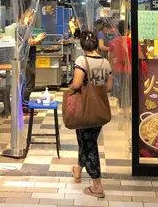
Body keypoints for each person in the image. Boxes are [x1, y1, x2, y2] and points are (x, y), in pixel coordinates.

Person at [69, 31, 112, 198]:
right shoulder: (105, 62)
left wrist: (69, 89)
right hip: (99, 108)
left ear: (82, 45)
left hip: (84, 109)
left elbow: (77, 84)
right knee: (87, 140)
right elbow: (109, 87)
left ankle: (97, 186)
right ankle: (78, 170)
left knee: (89, 145)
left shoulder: (82, 60)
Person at [108, 20, 131, 103]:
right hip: (129, 71)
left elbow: (110, 59)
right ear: (127, 30)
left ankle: (119, 109)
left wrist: (111, 72)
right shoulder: (132, 41)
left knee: (117, 95)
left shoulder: (113, 42)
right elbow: (140, 57)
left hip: (116, 71)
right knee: (129, 94)